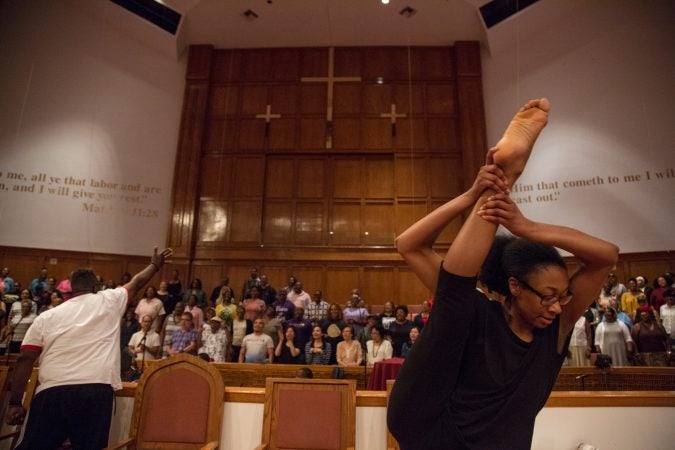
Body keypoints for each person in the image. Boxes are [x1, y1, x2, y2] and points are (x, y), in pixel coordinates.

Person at [387, 98, 619, 449]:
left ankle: (502, 179)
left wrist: (529, 227)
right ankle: (502, 179)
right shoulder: (477, 310)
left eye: (562, 296)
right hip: (436, 433)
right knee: (457, 299)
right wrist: (471, 194)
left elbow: (606, 257)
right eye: (547, 295)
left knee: (456, 297)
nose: (557, 306)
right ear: (515, 286)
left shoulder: (555, 327)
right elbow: (409, 244)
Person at [6, 247, 172, 450]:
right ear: (96, 286)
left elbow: (25, 358)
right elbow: (137, 282)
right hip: (95, 390)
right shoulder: (108, 300)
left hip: (52, 393)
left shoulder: (47, 316)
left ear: (71, 289)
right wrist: (155, 265)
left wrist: (15, 402)